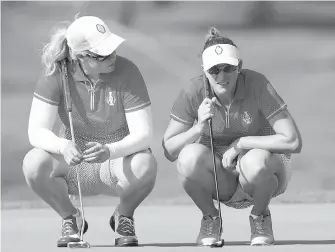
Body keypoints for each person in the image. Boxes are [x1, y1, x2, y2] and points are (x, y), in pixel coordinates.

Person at [22, 16, 157, 247]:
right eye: (101, 55)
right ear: (79, 56)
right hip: (73, 161)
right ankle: (71, 218)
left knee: (146, 163)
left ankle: (123, 216)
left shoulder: (127, 70)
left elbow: (144, 133)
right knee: (33, 163)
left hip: (115, 162)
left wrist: (110, 150)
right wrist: (63, 146)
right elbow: (36, 131)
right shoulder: (56, 73)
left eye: (112, 49)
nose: (112, 57)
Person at [162, 27, 302, 246]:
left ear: (240, 67)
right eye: (214, 70)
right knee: (187, 157)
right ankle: (211, 218)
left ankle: (260, 216)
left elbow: (292, 141)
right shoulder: (194, 91)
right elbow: (169, 150)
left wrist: (242, 144)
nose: (221, 76)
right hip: (221, 179)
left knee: (255, 159)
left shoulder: (257, 84)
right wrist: (197, 128)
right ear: (204, 70)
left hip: (265, 173)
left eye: (228, 68)